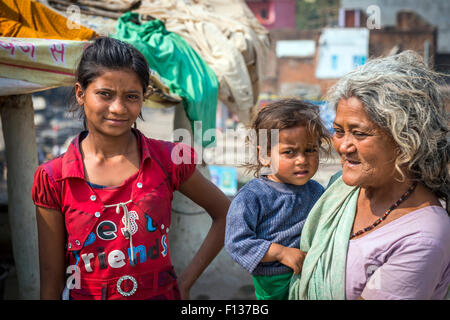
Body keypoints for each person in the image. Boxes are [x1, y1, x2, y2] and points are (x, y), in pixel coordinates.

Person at [32, 37, 230, 300]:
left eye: (131, 97)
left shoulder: (168, 159)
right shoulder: (54, 178)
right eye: (105, 94)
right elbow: (51, 284)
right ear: (80, 93)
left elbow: (226, 214)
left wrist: (185, 283)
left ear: (143, 98)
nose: (118, 108)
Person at [289, 50, 450, 300]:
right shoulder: (342, 190)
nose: (343, 146)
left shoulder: (423, 237)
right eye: (339, 131)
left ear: (407, 138)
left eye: (360, 134)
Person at [225, 99, 332, 300]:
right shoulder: (252, 196)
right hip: (274, 280)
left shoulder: (317, 191)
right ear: (265, 156)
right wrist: (281, 253)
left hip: (312, 272)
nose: (302, 160)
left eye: (310, 150)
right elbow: (237, 242)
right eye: (289, 152)